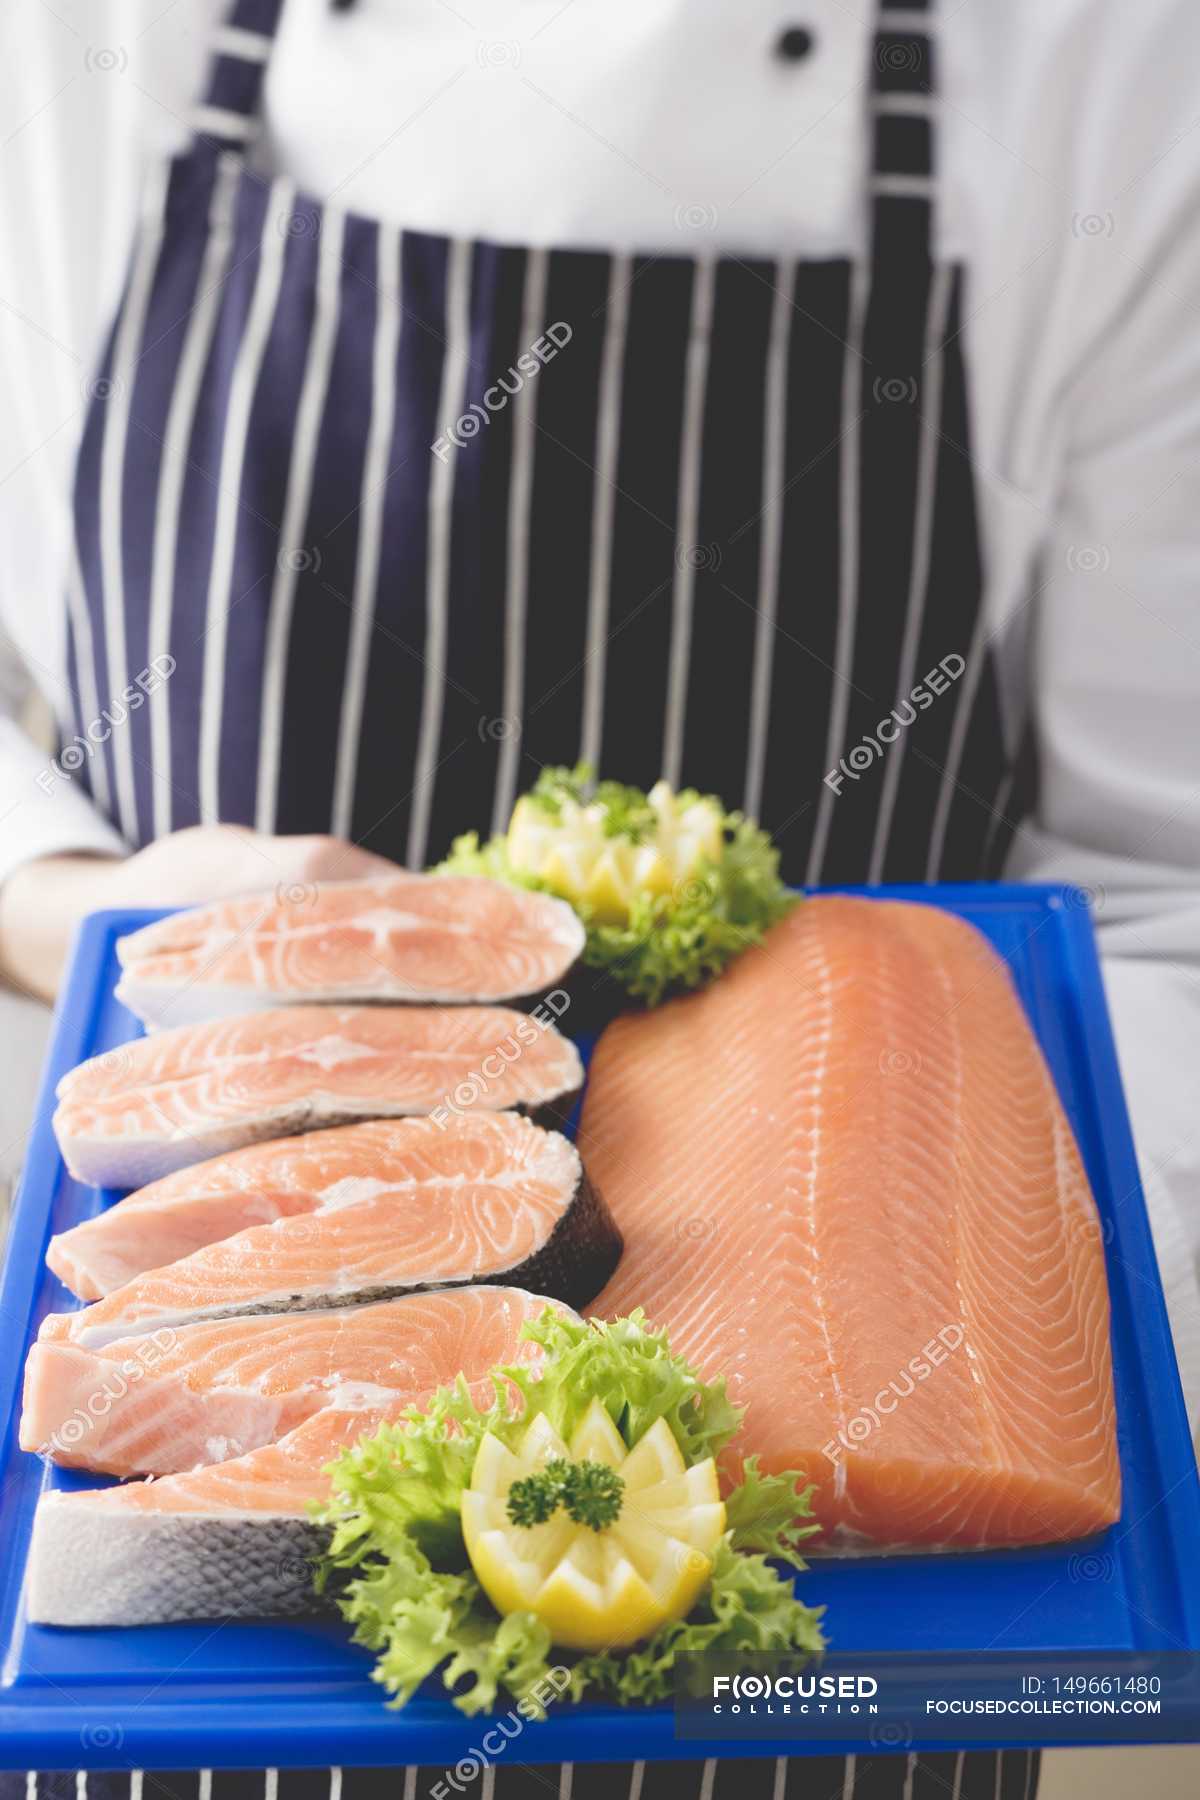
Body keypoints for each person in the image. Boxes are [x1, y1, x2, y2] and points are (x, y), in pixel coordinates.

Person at [1, 0, 1198, 1795]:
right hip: (180, 1575)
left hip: (829, 1725)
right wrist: (63, 902)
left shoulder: (1115, 68)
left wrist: (921, 1326)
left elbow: (1165, 891)